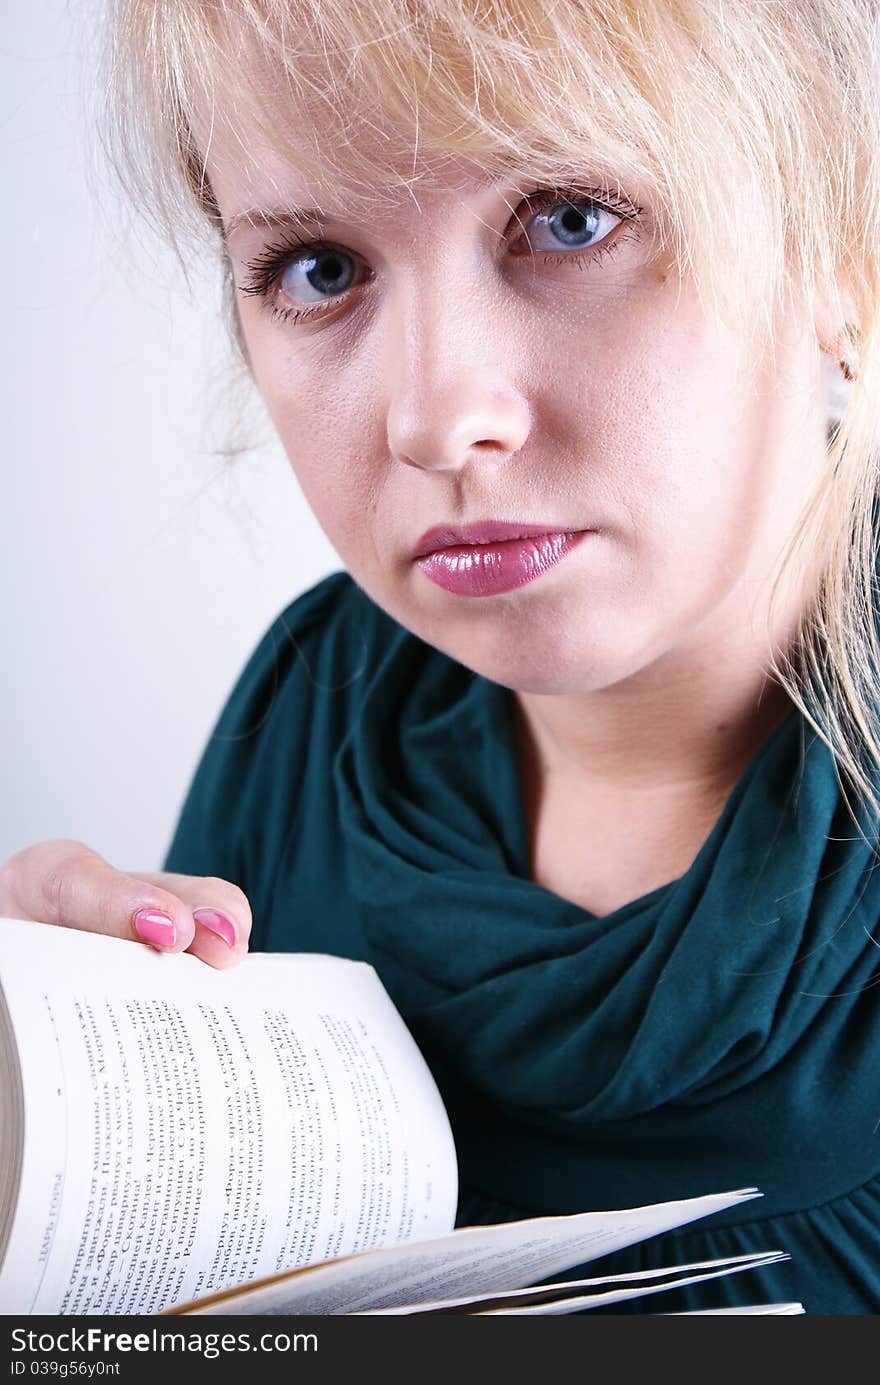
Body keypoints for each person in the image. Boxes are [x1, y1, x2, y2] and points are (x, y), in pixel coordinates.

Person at [2, 0, 879, 1313]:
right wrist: (43, 1161)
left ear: (844, 236)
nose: (433, 417)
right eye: (320, 266)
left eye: (572, 218)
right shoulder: (311, 705)